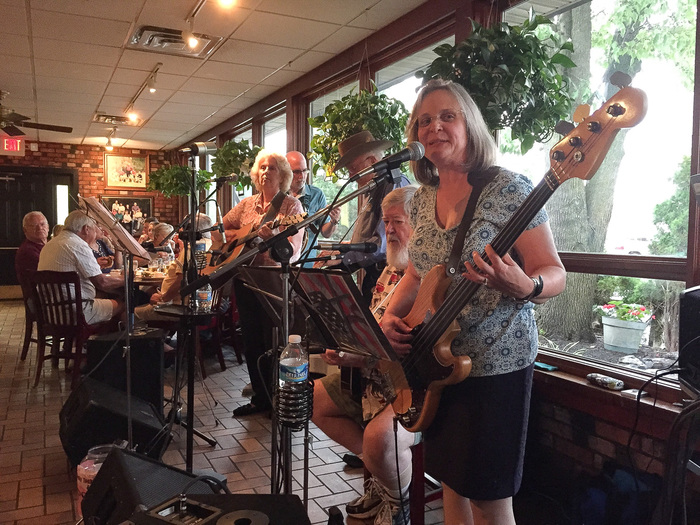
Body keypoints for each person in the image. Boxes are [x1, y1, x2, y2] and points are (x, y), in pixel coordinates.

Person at [381, 79, 566, 525]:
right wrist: (389, 315)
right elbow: (417, 273)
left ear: (471, 126)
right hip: (435, 365)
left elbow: (554, 271)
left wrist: (526, 286)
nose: (434, 127)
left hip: (494, 368)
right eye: (425, 120)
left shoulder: (509, 189)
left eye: (448, 116)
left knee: (488, 501)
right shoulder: (421, 199)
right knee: (451, 483)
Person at [312, 186, 417, 525]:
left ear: (420, 225)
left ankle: (397, 502)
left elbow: (411, 347)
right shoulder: (390, 268)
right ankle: (382, 477)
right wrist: (346, 347)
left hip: (412, 386)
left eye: (397, 221)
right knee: (313, 400)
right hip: (372, 377)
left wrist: (359, 356)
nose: (388, 230)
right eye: (386, 222)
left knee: (378, 438)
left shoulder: (426, 276)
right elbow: (371, 327)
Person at [214, 150, 305, 416]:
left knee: (273, 341)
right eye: (262, 167)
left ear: (283, 174)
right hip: (245, 278)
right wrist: (239, 236)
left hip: (273, 281)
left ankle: (279, 400)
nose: (266, 172)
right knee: (251, 341)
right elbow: (221, 229)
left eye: (272, 168)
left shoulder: (291, 207)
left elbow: (293, 251)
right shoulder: (246, 204)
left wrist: (273, 237)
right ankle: (260, 398)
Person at [330, 131, 410, 299]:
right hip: (374, 274)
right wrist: (344, 249)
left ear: (372, 161)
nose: (351, 176)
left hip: (388, 276)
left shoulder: (393, 184)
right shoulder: (374, 188)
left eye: (353, 168)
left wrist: (344, 258)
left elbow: (382, 243)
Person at [38, 210, 125, 325]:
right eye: (94, 229)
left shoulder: (50, 244)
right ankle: (107, 336)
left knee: (105, 298)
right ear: (86, 229)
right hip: (77, 311)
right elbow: (102, 282)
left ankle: (96, 335)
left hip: (51, 312)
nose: (95, 234)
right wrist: (126, 279)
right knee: (124, 303)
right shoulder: (78, 245)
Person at [286, 150, 340, 267]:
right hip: (281, 260)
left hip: (306, 263)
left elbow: (326, 233)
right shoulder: (279, 196)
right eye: (296, 172)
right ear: (285, 171)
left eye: (305, 171)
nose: (302, 176)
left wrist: (333, 221)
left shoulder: (317, 194)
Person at [15, 211, 50, 294]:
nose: (39, 228)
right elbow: (49, 272)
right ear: (25, 230)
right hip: (39, 297)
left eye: (42, 224)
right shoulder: (27, 251)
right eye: (34, 225)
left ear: (48, 227)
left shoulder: (50, 245)